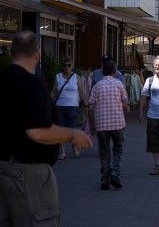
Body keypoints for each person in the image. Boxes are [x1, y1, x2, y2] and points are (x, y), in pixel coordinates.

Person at [0, 31, 92, 226]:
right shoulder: (31, 83)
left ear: (11, 52)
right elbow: (38, 131)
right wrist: (74, 134)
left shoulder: (3, 79)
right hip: (28, 173)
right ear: (38, 53)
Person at [88, 60, 130, 190]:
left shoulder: (97, 86)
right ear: (115, 71)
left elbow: (90, 107)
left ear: (102, 71)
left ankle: (104, 178)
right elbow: (126, 105)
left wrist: (92, 125)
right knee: (118, 148)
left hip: (101, 125)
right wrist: (124, 109)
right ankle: (115, 172)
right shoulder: (119, 85)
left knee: (104, 151)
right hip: (117, 124)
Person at [51, 56, 87, 159]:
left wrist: (86, 104)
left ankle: (75, 148)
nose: (66, 67)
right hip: (60, 107)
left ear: (72, 66)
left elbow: (82, 91)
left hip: (73, 107)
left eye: (68, 65)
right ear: (61, 67)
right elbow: (54, 91)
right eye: (64, 65)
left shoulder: (76, 77)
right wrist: (49, 101)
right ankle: (62, 152)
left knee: (73, 129)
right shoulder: (58, 77)